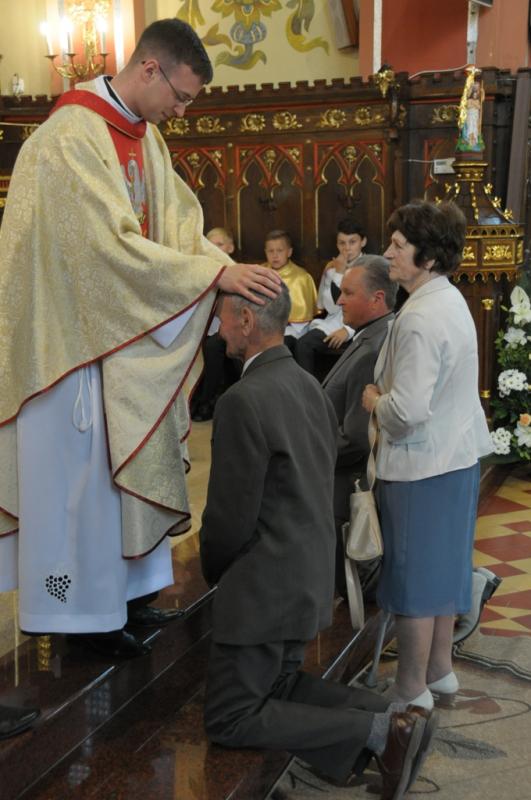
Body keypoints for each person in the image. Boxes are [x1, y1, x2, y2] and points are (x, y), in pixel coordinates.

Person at [0, 18, 280, 658]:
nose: (180, 113)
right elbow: (104, 251)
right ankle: (78, 619)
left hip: (126, 343)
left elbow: (177, 230)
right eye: (179, 96)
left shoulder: (145, 138)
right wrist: (214, 274)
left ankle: (126, 599)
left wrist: (217, 268)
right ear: (149, 68)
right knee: (83, 493)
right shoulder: (68, 137)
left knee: (127, 478)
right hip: (70, 351)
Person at [200, 283, 437, 798]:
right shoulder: (308, 383)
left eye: (223, 317)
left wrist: (212, 569)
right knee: (280, 686)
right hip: (306, 572)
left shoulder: (242, 399)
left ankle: (381, 733)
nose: (218, 329)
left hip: (263, 587)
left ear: (247, 320)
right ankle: (397, 717)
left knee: (230, 716)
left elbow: (230, 518)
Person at [362, 201, 493, 709]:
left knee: (414, 580)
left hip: (421, 467)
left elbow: (407, 412)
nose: (388, 253)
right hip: (455, 460)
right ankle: (439, 671)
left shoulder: (419, 317)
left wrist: (375, 401)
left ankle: (410, 688)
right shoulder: (449, 299)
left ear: (429, 258)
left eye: (399, 246)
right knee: (442, 572)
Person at [322, 256, 396, 599]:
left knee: (353, 587)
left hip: (346, 487)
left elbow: (354, 438)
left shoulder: (373, 348)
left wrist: (308, 456)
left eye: (348, 293)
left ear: (377, 298)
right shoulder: (371, 336)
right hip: (345, 481)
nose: (339, 301)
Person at [296, 218, 367, 376]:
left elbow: (369, 307)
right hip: (334, 322)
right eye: (342, 243)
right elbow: (330, 307)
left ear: (363, 242)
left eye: (352, 242)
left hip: (359, 326)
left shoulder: (369, 268)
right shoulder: (331, 268)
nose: (347, 248)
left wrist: (348, 330)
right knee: (301, 344)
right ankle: (309, 388)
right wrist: (336, 273)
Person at [191, 228, 241, 422]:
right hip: (204, 327)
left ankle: (208, 400)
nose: (214, 250)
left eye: (219, 245)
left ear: (230, 248)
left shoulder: (237, 272)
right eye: (209, 245)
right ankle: (194, 396)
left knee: (213, 346)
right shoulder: (200, 273)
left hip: (229, 327)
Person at [263, 229, 317, 352]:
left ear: (289, 252)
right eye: (271, 251)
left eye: (279, 250)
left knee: (278, 347)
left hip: (290, 329)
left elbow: (302, 319)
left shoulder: (302, 277)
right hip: (262, 327)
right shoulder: (258, 273)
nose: (275, 255)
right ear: (265, 252)